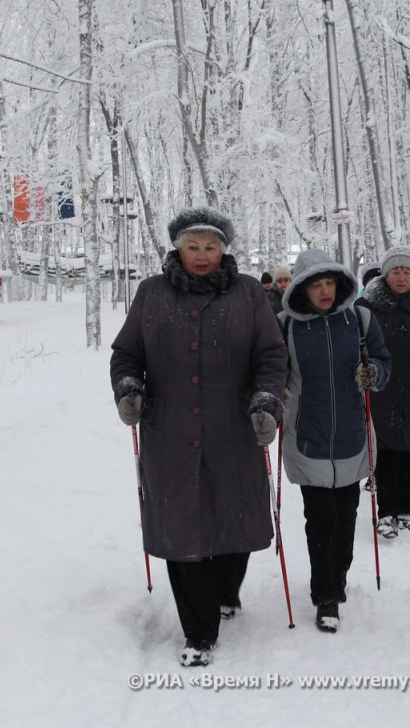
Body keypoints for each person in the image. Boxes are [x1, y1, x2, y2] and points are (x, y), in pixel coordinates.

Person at [111, 206, 287, 668]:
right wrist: (129, 389)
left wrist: (266, 401)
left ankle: (226, 590)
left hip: (234, 430)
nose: (202, 255)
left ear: (224, 249)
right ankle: (199, 631)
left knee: (237, 522)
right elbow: (126, 355)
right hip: (169, 432)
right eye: (193, 247)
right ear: (178, 248)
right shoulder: (152, 294)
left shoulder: (249, 293)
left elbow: (271, 356)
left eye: (211, 247)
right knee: (180, 526)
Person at [279, 249, 391, 633]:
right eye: (316, 285)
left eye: (329, 283)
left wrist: (374, 372)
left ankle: (337, 577)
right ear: (301, 289)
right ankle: (325, 595)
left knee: (346, 518)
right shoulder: (285, 326)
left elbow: (383, 362)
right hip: (307, 437)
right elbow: (271, 372)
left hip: (352, 436)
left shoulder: (360, 319)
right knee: (320, 520)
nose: (324, 291)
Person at [355, 245, 410, 539]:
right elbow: (356, 346)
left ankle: (404, 508)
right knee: (384, 453)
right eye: (396, 271)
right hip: (382, 390)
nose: (401, 277)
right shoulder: (366, 307)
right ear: (386, 274)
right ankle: (385, 512)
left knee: (409, 454)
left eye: (406, 271)